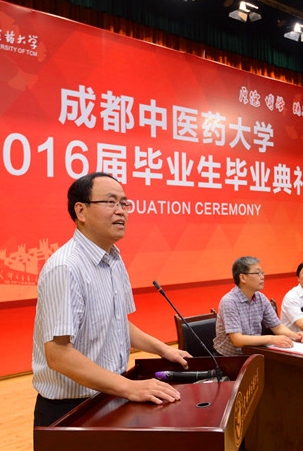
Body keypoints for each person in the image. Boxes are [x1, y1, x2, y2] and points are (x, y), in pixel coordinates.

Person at [32, 172, 191, 427]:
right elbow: (58, 354)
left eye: (124, 203)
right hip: (72, 410)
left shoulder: (114, 259)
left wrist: (164, 350)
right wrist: (130, 387)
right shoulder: (65, 267)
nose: (121, 211)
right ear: (81, 211)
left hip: (111, 394)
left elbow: (118, 323)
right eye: (110, 202)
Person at [213, 256, 303, 356]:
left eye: (262, 273)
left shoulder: (260, 298)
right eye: (257, 273)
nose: (262, 277)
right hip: (229, 358)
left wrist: (295, 336)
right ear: (243, 278)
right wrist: (271, 339)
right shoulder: (229, 301)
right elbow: (238, 340)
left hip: (254, 353)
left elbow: (277, 327)